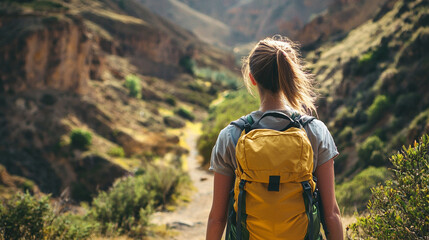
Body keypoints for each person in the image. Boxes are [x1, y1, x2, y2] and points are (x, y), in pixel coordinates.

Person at [205, 36, 344, 240]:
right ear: (290, 76)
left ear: (252, 79)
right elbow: (331, 214)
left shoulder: (231, 135)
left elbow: (217, 219)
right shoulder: (315, 131)